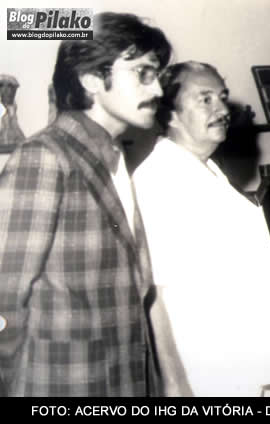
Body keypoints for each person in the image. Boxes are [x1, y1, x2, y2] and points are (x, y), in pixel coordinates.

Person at [0, 12, 171, 396]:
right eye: (143, 73)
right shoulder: (44, 157)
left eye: (157, 74)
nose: (158, 89)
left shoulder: (114, 157)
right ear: (91, 78)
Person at [133, 61, 270, 397]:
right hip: (202, 369)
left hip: (241, 363)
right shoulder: (158, 180)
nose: (221, 109)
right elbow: (153, 294)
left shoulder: (210, 172)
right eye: (205, 99)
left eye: (222, 97)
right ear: (170, 114)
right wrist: (174, 382)